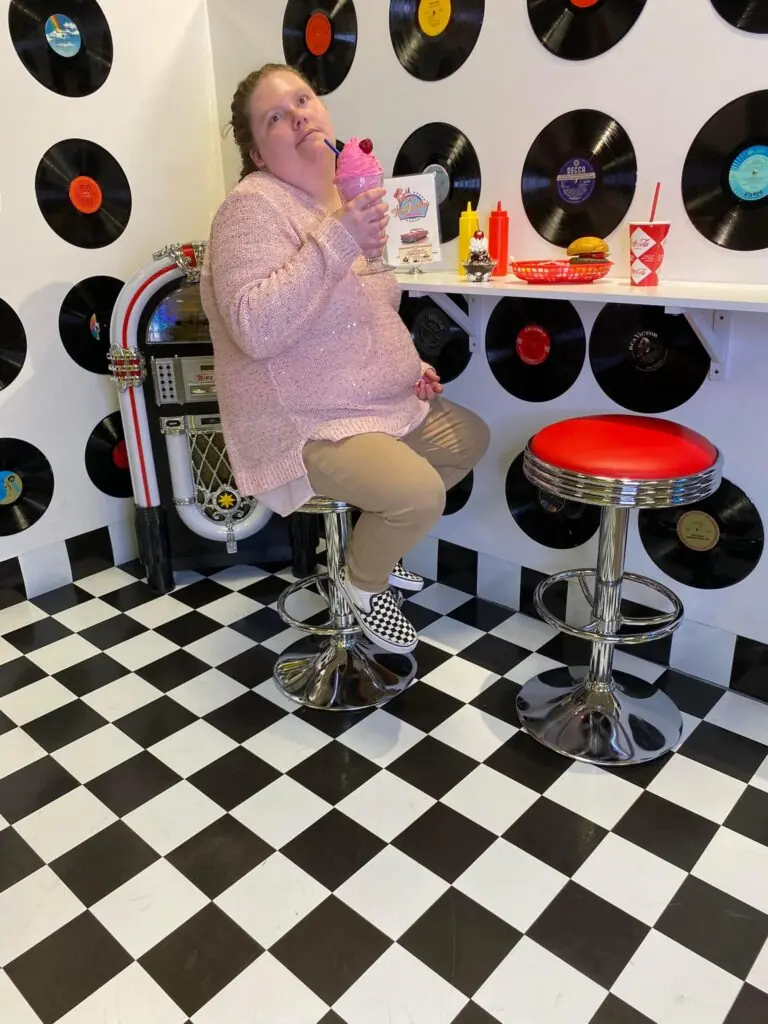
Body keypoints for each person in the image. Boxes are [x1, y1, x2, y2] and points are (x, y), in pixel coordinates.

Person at [200, 63, 490, 655]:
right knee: (418, 494)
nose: (299, 114)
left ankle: (368, 551)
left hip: (369, 403)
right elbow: (254, 326)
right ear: (257, 152)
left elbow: (372, 310)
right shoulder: (250, 209)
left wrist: (410, 370)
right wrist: (338, 238)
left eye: (303, 99)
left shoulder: (338, 200)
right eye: (276, 116)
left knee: (469, 439)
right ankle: (361, 585)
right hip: (304, 419)